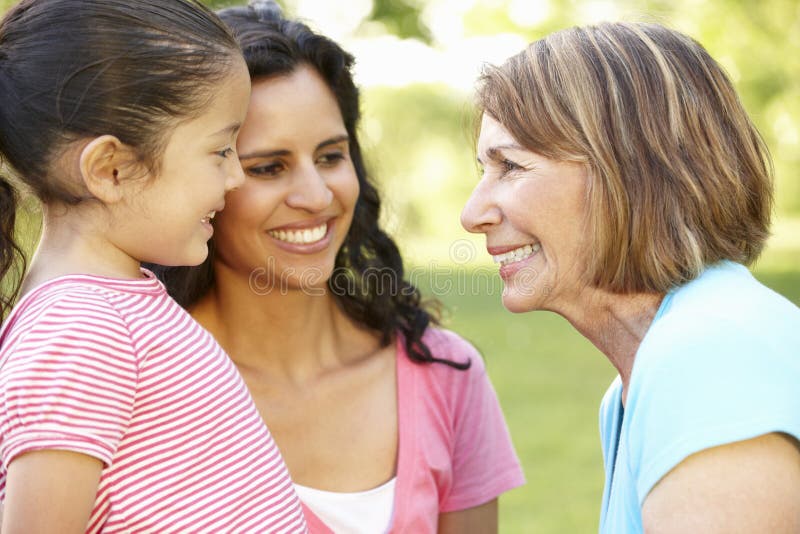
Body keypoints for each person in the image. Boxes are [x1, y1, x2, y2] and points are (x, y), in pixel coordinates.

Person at [151, 1, 524, 532]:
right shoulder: (136, 384)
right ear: (201, 181)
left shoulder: (444, 373)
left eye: (330, 156)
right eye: (269, 167)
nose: (316, 194)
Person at [461, 21, 800, 533]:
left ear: (629, 173)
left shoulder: (711, 356)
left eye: (510, 167)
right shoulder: (646, 374)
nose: (473, 213)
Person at [0, 1, 307, 532]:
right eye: (219, 151)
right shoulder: (81, 329)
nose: (235, 178)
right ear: (111, 169)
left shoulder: (115, 307)